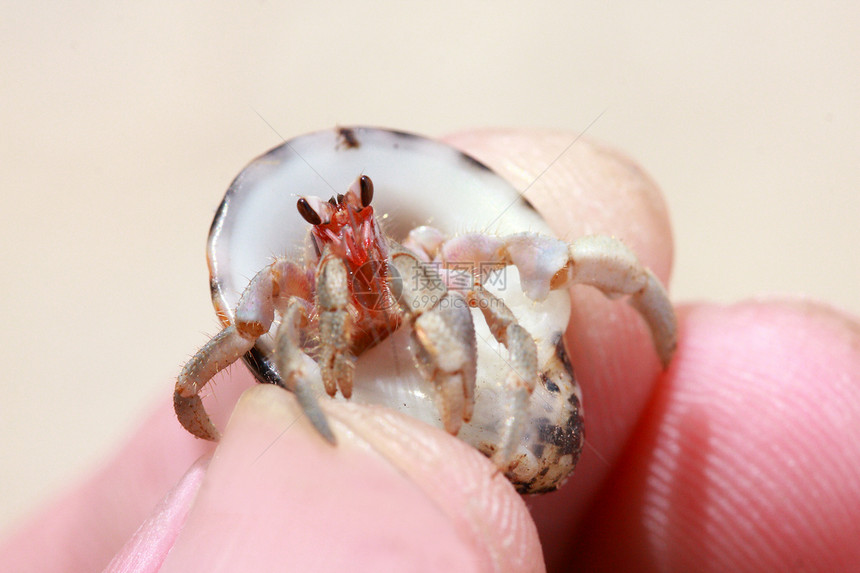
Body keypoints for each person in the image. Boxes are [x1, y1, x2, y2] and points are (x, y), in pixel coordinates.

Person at [3, 130, 858, 572]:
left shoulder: (414, 254)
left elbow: (520, 275)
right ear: (318, 241)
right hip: (359, 399)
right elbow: (217, 368)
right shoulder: (305, 287)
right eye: (333, 235)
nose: (353, 239)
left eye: (358, 219)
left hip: (484, 397)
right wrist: (219, 402)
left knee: (484, 275)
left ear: (370, 211)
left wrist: (528, 339)